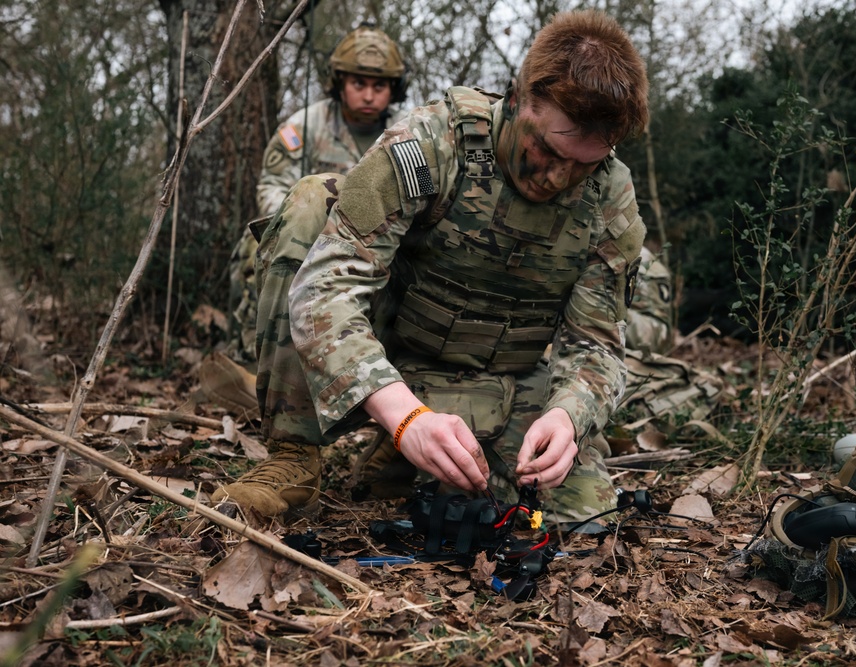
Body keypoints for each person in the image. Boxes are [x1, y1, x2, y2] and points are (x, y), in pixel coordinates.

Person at [211, 10, 650, 528]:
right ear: (517, 102)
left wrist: (568, 416)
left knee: (581, 519)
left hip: (500, 380)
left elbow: (596, 345)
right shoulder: (433, 144)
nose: (559, 176)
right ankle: (294, 455)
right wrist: (406, 419)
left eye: (586, 164)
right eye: (549, 150)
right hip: (392, 352)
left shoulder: (611, 198)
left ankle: (403, 457)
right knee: (311, 200)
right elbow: (326, 289)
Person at [226, 23, 409, 366]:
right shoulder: (305, 127)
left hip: (382, 246)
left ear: (393, 88)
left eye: (379, 85)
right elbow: (273, 186)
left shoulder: (407, 133)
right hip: (312, 238)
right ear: (339, 83)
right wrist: (308, 225)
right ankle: (257, 357)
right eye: (359, 84)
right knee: (254, 245)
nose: (369, 95)